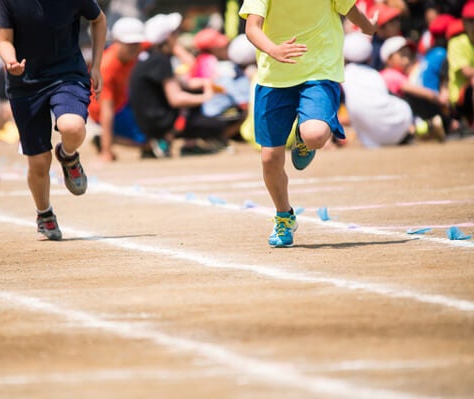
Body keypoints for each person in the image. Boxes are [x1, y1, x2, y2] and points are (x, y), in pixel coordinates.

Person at [239, 0, 376, 248]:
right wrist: (273, 50)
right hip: (274, 77)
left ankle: (304, 138)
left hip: (319, 70)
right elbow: (252, 28)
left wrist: (370, 28)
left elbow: (350, 10)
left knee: (314, 135)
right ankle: (284, 216)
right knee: (270, 159)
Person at [0, 0, 106, 241]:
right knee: (38, 162)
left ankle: (67, 155)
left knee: (73, 126)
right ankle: (44, 214)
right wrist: (10, 60)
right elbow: (4, 40)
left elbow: (98, 20)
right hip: (25, 84)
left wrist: (96, 66)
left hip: (67, 74)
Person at [129, 13, 230, 157]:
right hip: (158, 123)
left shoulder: (150, 56)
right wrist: (206, 96)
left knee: (196, 91)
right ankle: (167, 139)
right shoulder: (160, 60)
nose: (178, 36)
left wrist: (205, 83)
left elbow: (182, 81)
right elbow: (175, 99)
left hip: (147, 119)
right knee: (217, 126)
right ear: (167, 37)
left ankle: (176, 140)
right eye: (175, 33)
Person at [87, 17, 151, 162]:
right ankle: (103, 140)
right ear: (116, 42)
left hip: (123, 100)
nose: (135, 48)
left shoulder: (139, 47)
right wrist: (106, 151)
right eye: (129, 44)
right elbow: (106, 112)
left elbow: (160, 39)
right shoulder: (106, 67)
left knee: (150, 131)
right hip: (103, 109)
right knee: (145, 142)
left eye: (137, 43)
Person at [342, 32, 414, 148]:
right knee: (402, 105)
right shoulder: (374, 74)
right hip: (399, 128)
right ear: (370, 58)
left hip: (370, 137)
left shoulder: (344, 76)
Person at [447, 2, 474, 127]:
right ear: (464, 22)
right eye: (471, 20)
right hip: (461, 99)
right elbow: (467, 72)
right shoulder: (456, 42)